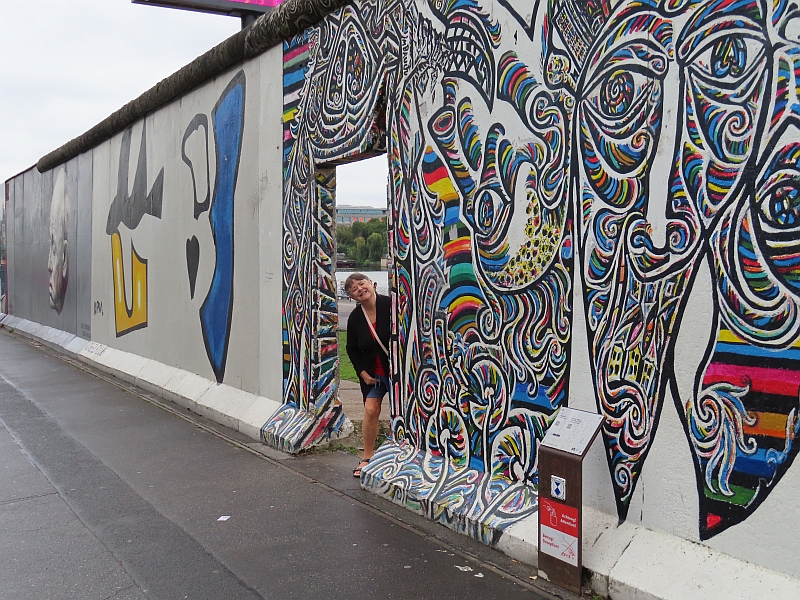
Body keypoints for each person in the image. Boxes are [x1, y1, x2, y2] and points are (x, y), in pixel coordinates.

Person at [344, 272, 390, 477]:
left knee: (404, 414)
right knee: (371, 409)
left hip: (397, 373)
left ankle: (401, 453)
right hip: (373, 375)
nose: (360, 289)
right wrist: (362, 373)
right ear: (352, 297)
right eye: (354, 289)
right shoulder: (355, 318)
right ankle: (367, 457)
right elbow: (351, 348)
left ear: (372, 283)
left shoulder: (391, 305)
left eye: (362, 284)